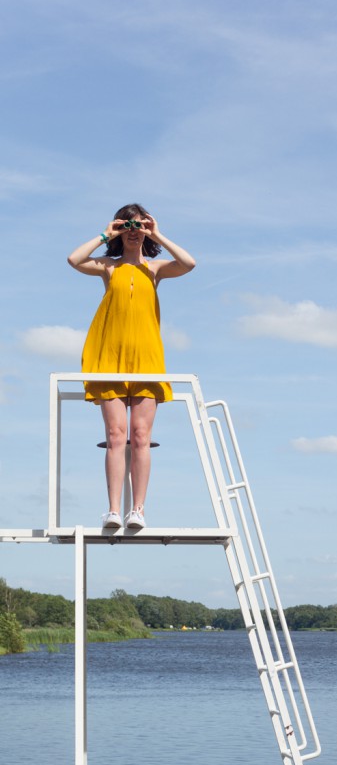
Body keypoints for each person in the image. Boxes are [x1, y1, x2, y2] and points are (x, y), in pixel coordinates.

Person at [68, 204, 195, 530]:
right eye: (128, 225)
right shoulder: (109, 267)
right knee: (115, 435)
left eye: (139, 225)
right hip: (111, 359)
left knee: (140, 436)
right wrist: (106, 233)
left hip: (147, 361)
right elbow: (74, 259)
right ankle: (112, 508)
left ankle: (137, 509)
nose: (134, 230)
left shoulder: (154, 270)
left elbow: (188, 263)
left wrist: (157, 232)